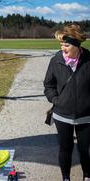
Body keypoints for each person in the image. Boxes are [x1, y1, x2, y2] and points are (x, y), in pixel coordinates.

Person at [44, 24, 90, 181]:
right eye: (61, 44)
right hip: (62, 115)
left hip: (86, 116)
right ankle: (66, 178)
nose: (63, 48)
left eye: (66, 44)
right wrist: (56, 99)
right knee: (65, 149)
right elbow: (48, 85)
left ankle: (87, 176)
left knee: (85, 149)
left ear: (77, 44)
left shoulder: (89, 60)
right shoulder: (55, 60)